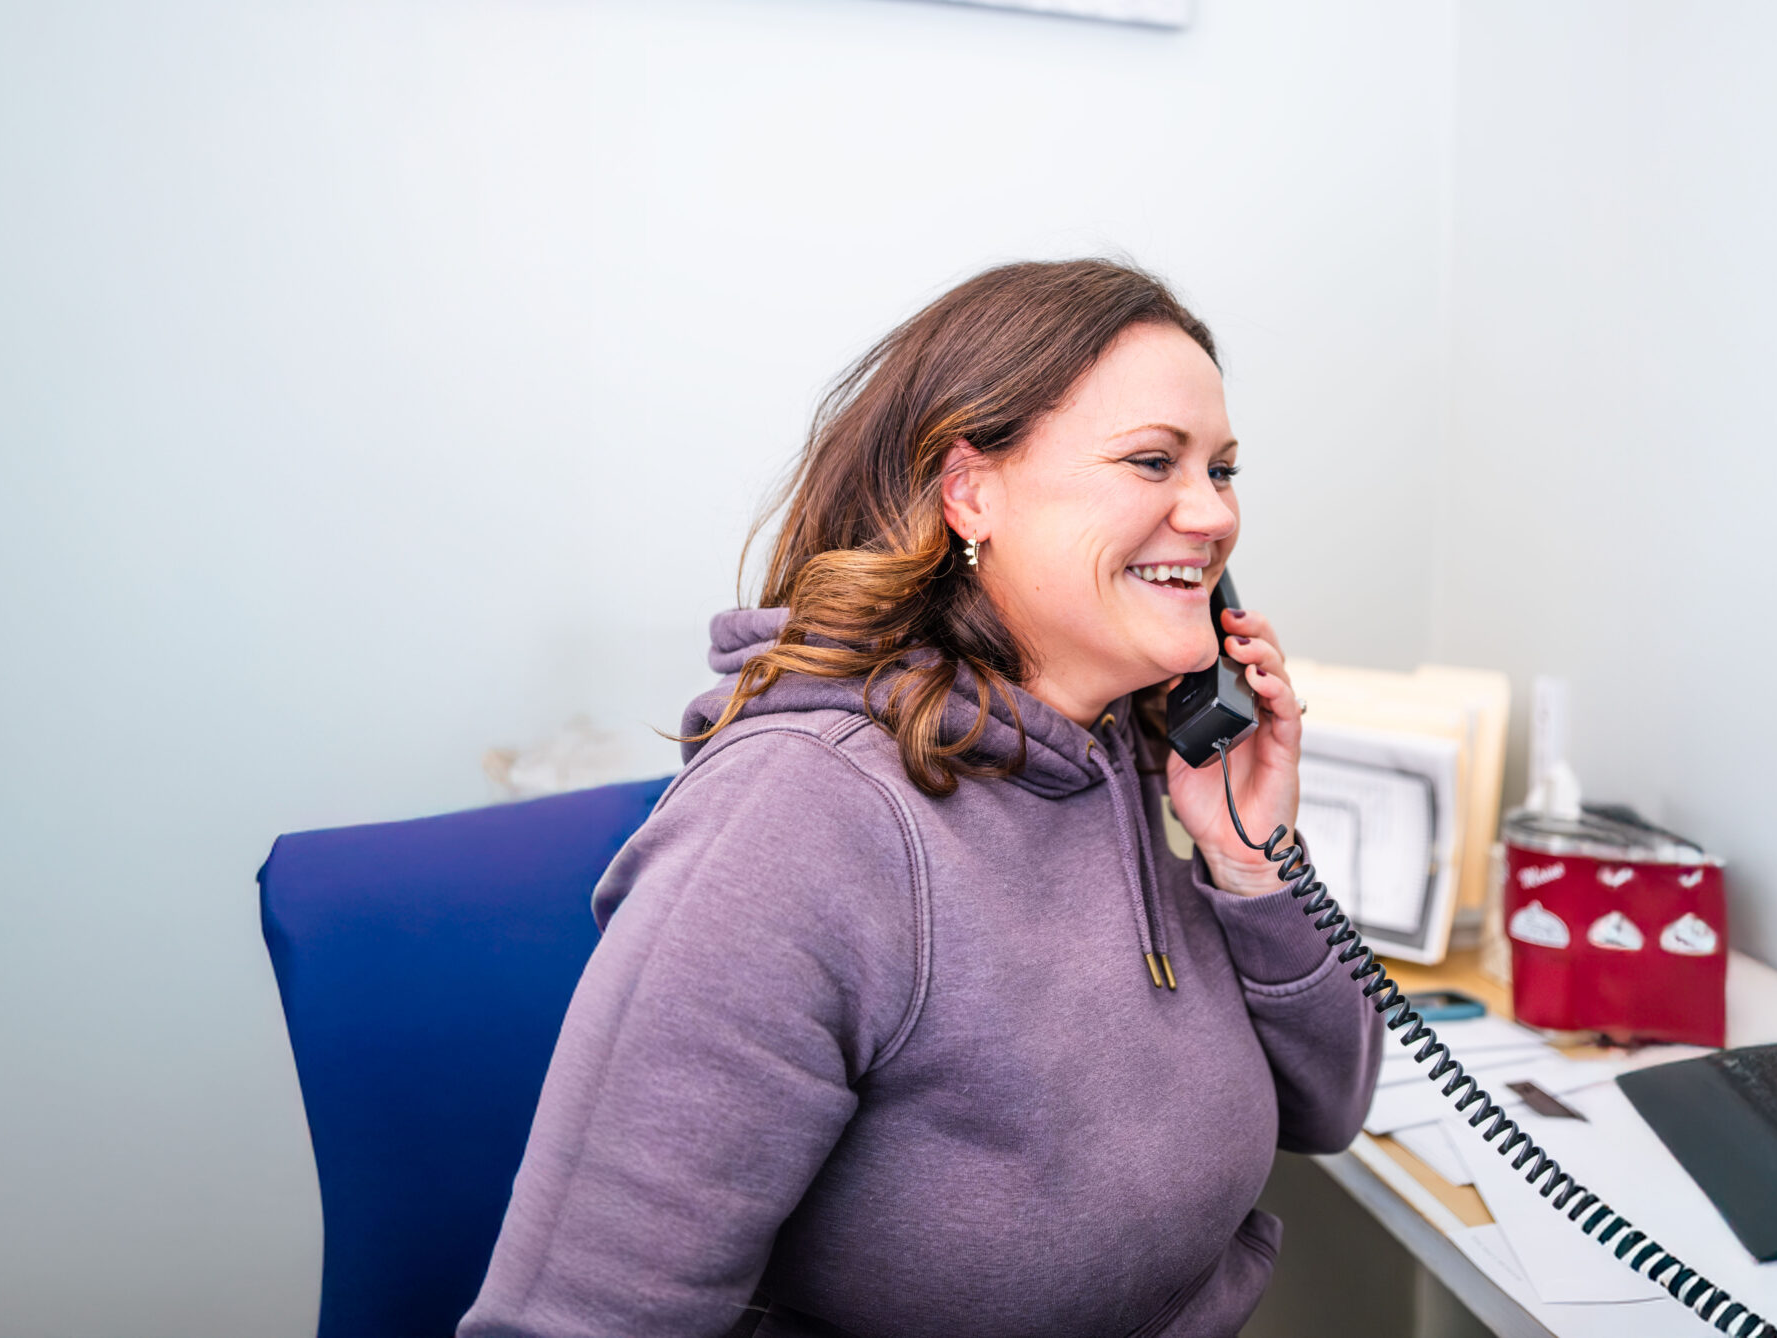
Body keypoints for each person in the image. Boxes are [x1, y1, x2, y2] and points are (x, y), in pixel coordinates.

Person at [459, 260, 1379, 1337]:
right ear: (969, 492)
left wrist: (1252, 863)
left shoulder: (1120, 751)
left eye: (1221, 469)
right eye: (1152, 461)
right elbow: (573, 1319)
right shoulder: (802, 819)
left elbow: (1330, 1106)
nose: (1213, 514)